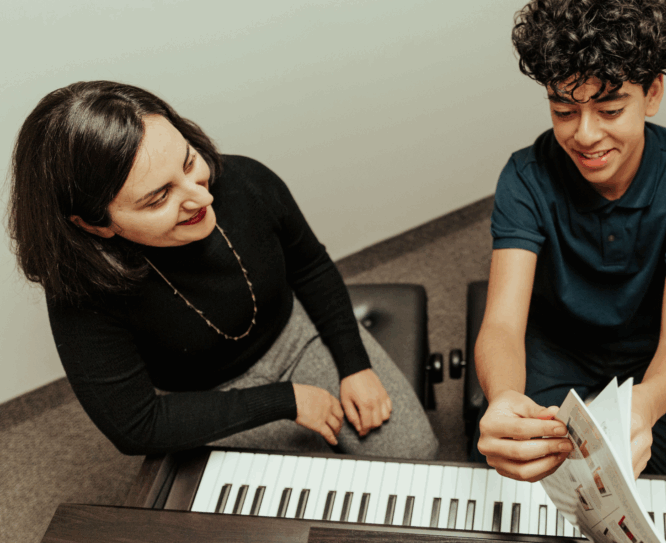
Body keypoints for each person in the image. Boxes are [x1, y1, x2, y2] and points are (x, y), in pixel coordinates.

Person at [7, 81, 439, 458]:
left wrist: (355, 364)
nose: (202, 198)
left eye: (189, 162)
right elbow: (135, 425)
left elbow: (311, 267)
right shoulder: (81, 293)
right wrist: (284, 401)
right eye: (159, 198)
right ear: (94, 223)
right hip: (203, 397)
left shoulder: (248, 181)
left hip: (297, 336)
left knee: (415, 457)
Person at [472, 0, 666, 481]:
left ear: (652, 94)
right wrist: (504, 396)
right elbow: (502, 325)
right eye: (563, 110)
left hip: (654, 352)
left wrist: (642, 408)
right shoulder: (524, 178)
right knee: (526, 491)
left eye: (610, 109)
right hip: (555, 347)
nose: (585, 135)